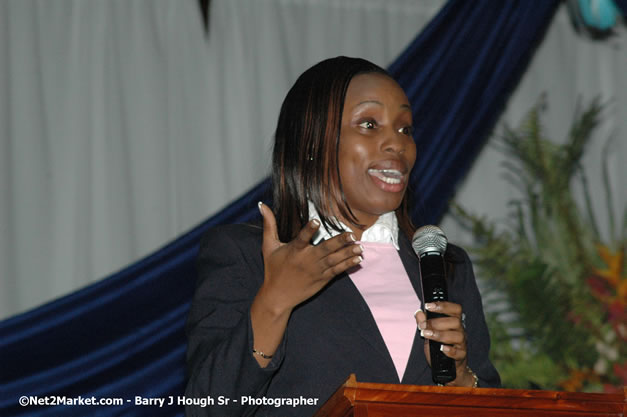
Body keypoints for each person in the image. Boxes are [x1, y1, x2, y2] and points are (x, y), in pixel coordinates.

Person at [185, 56, 500, 417]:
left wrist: (459, 379)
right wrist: (274, 301)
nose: (397, 144)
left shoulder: (445, 265)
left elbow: (490, 401)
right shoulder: (247, 254)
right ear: (312, 141)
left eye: (405, 129)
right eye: (369, 124)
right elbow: (206, 406)